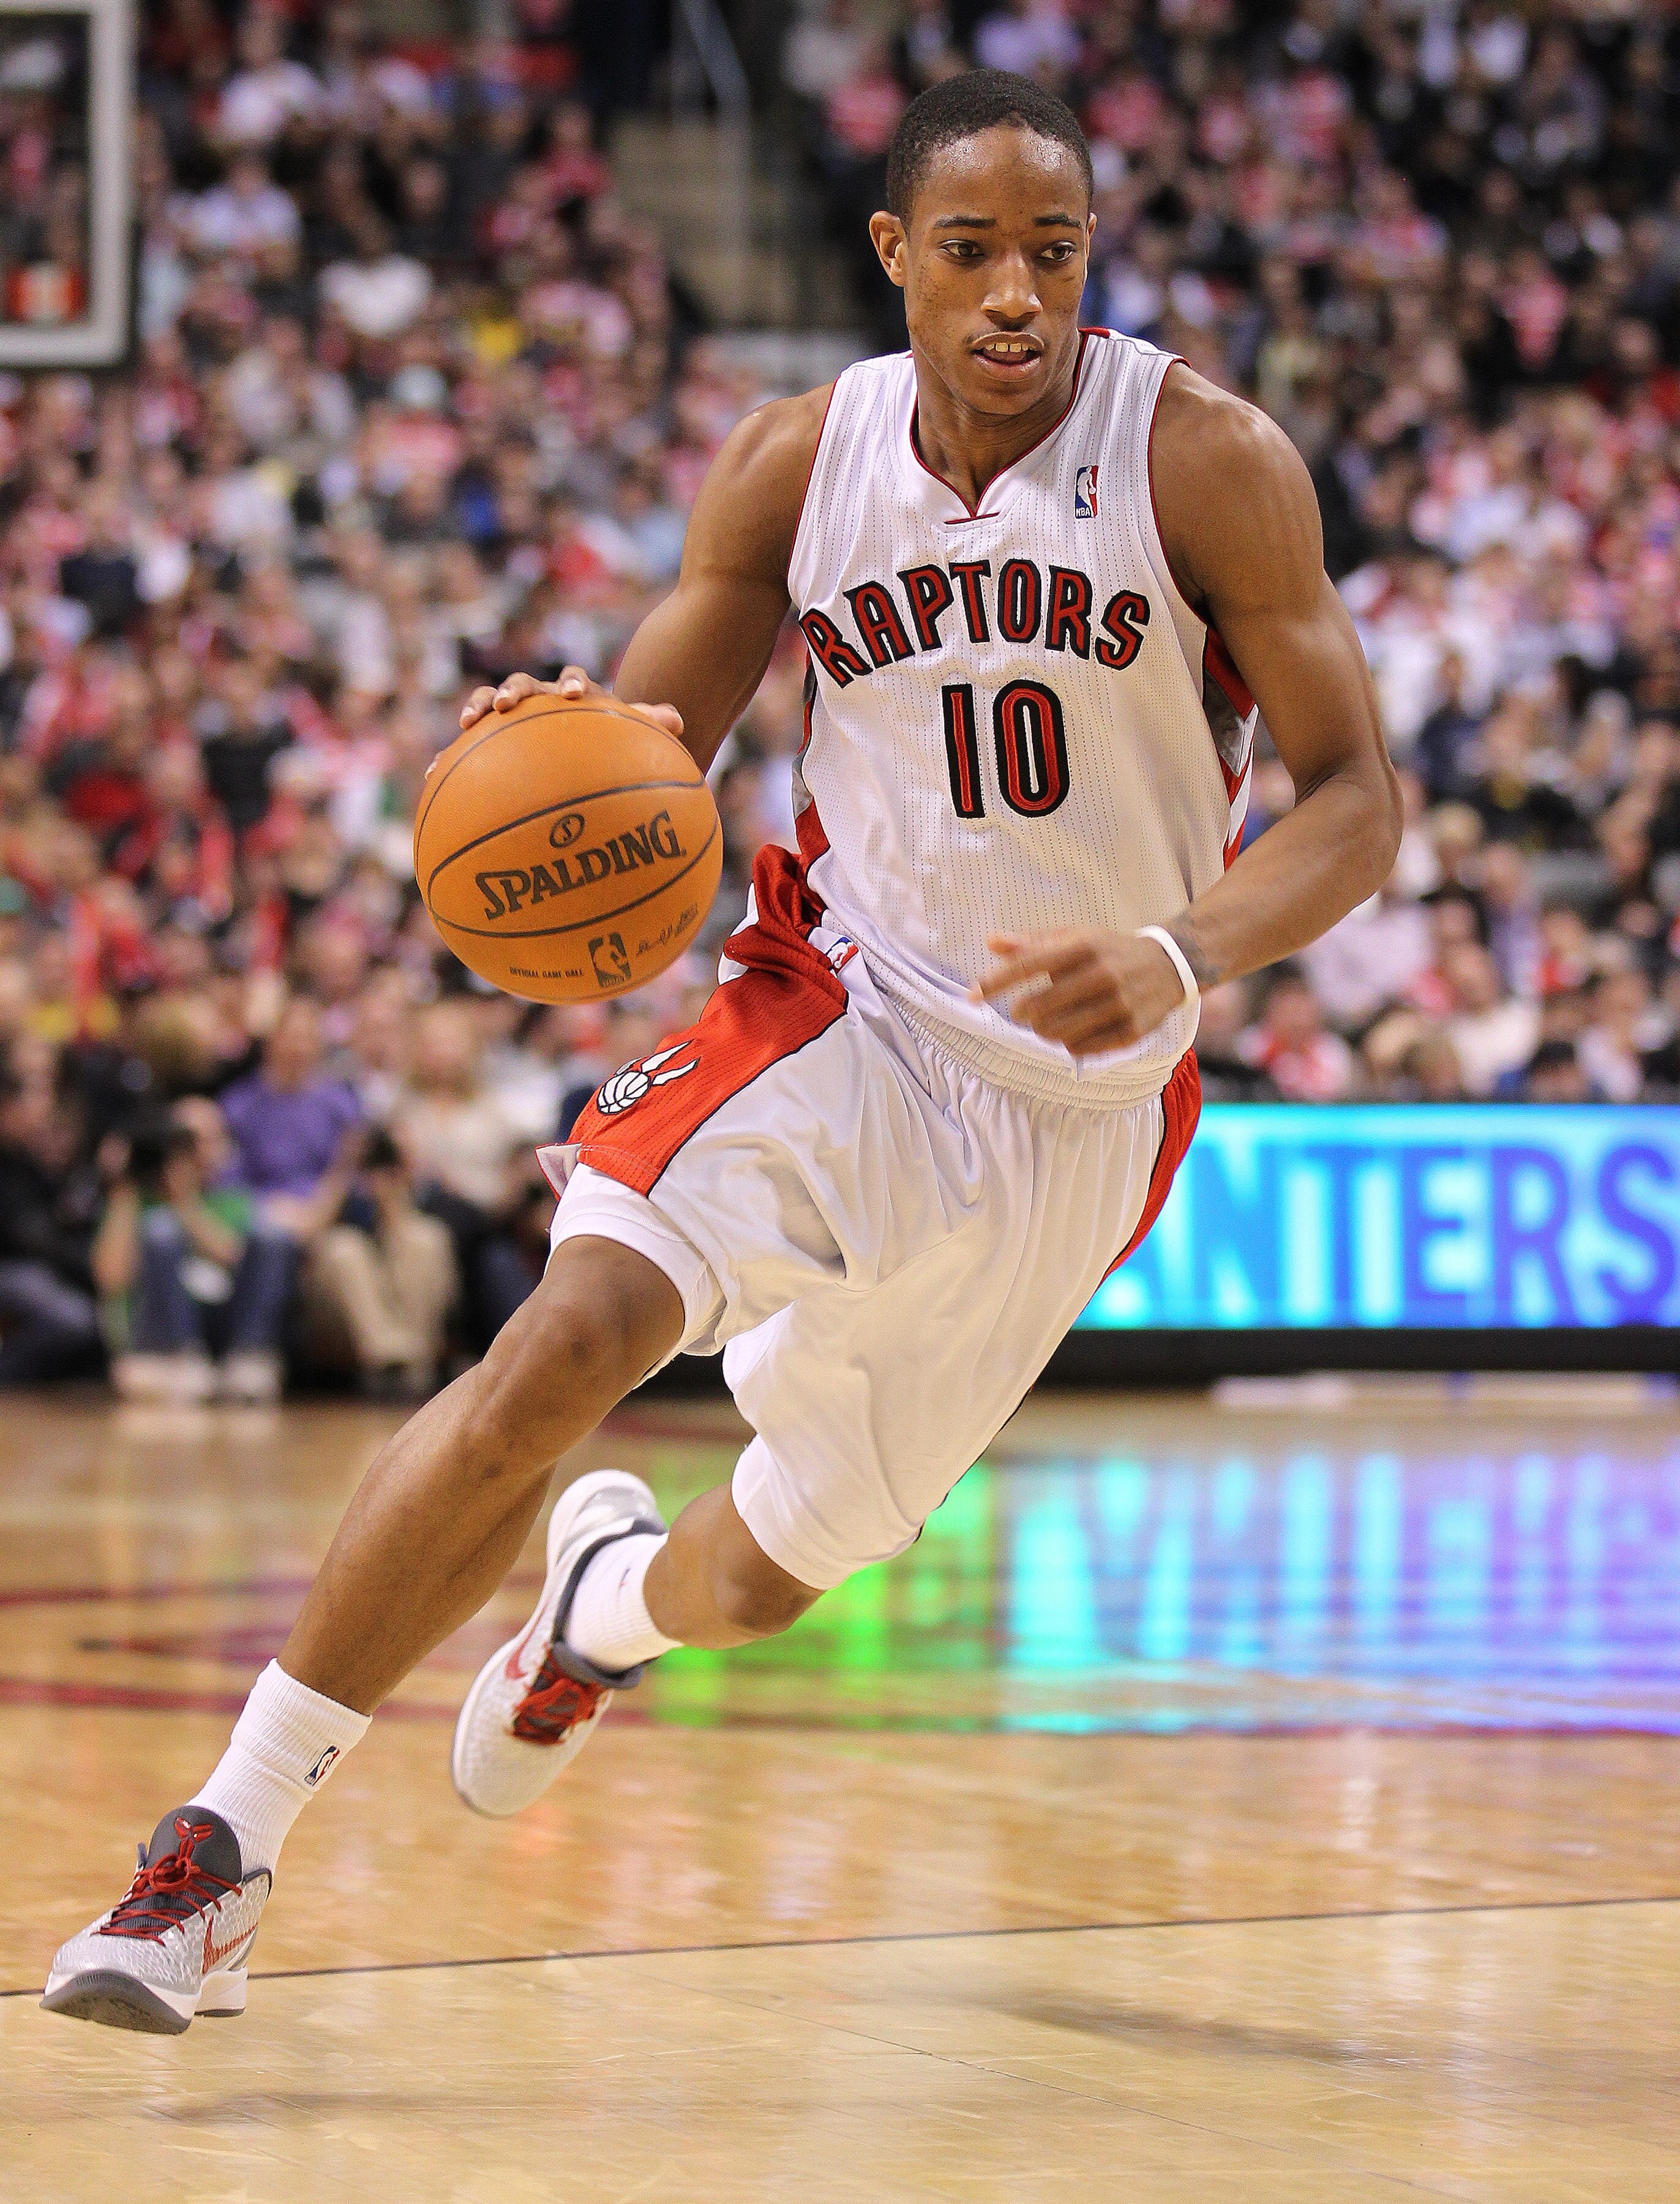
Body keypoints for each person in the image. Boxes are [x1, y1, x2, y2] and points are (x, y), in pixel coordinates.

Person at [45, 72, 1400, 2033]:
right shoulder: (794, 461)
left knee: (774, 1572)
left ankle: (596, 1616)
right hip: (834, 1007)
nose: (1016, 293)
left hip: (1087, 1105)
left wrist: (1186, 955)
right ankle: (216, 1857)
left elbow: (1361, 802)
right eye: (971, 251)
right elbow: (645, 747)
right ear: (893, 258)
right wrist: (558, 736)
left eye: (1055, 250)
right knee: (564, 1340)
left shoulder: (1206, 460)